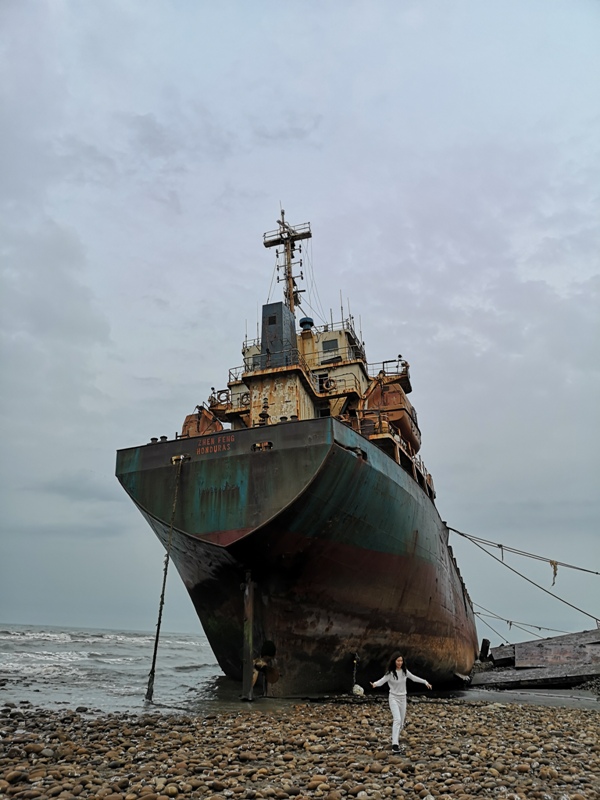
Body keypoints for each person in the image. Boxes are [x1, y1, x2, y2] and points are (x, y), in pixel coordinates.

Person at [370, 653, 432, 752]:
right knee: (397, 720)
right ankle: (395, 745)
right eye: (398, 661)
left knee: (401, 724)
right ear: (394, 661)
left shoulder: (404, 672)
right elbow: (382, 681)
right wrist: (375, 684)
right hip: (393, 698)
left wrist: (425, 682)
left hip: (403, 698)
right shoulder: (390, 673)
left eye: (401, 661)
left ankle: (394, 738)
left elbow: (414, 678)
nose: (399, 663)